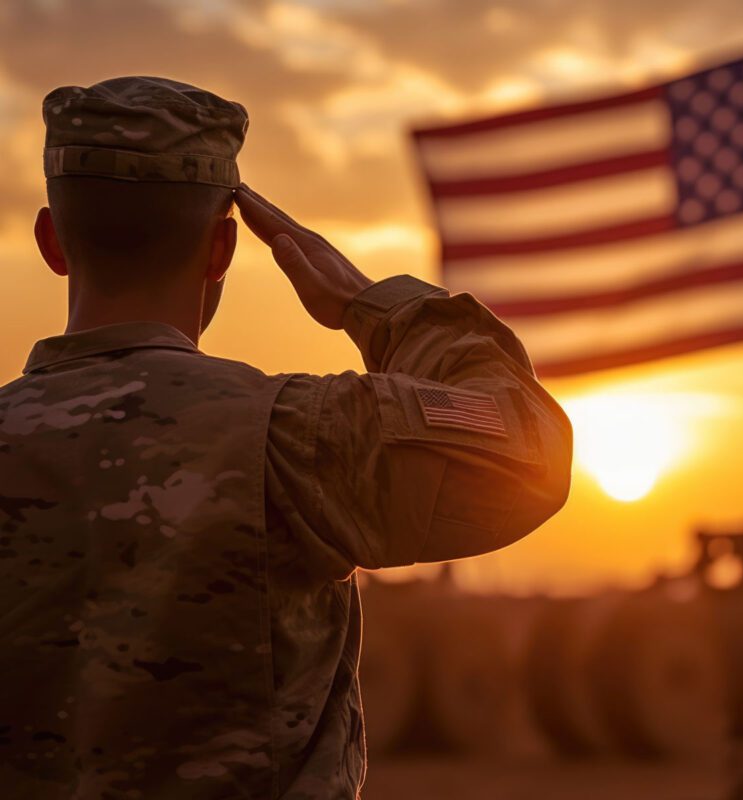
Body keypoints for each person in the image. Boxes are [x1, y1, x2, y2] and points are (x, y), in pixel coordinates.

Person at [0, 76, 573, 799]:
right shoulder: (288, 437)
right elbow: (534, 451)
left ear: (52, 240)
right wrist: (376, 308)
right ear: (222, 250)